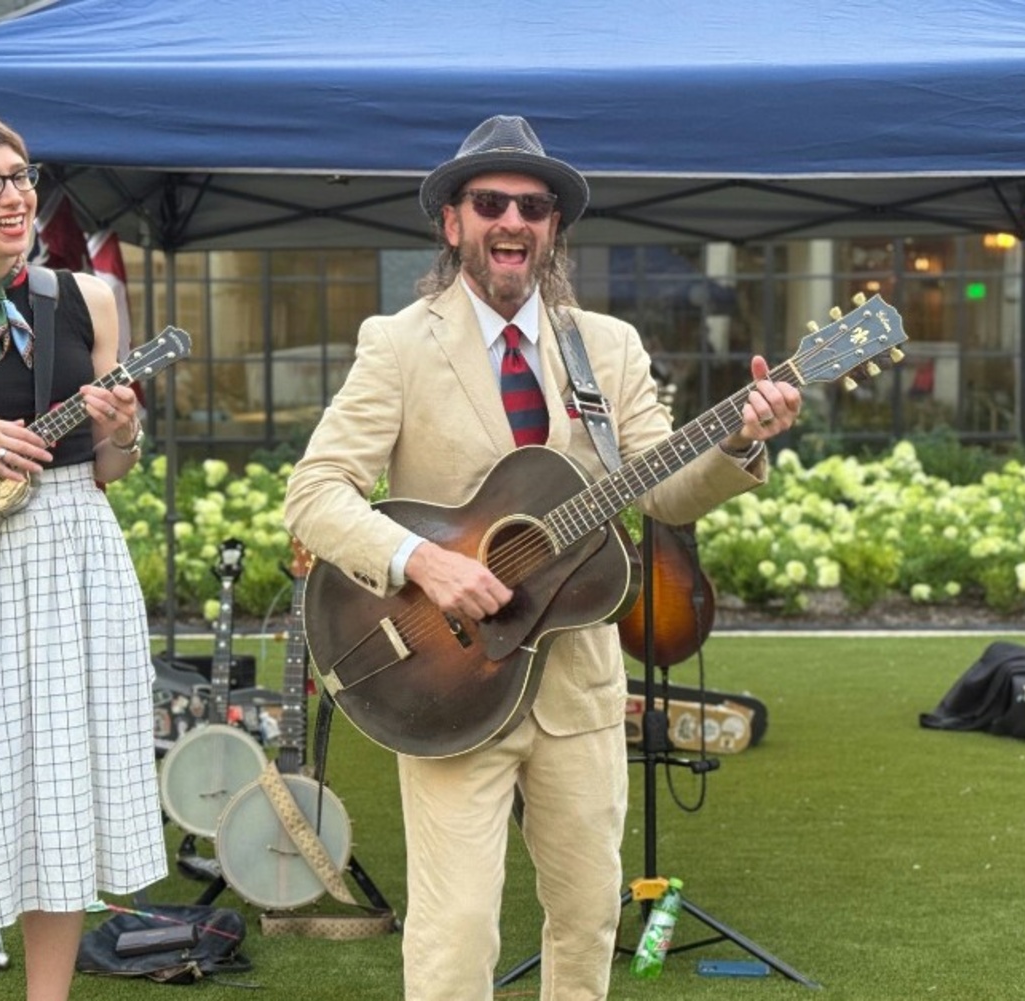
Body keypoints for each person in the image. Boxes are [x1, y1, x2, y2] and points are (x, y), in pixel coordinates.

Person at [284, 114, 800, 1000]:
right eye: (491, 202)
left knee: (589, 918)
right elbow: (315, 492)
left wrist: (740, 443)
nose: (513, 221)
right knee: (455, 940)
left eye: (534, 205)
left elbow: (659, 489)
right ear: (453, 221)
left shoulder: (606, 345)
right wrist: (424, 562)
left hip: (578, 691)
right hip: (448, 682)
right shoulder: (399, 343)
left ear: (554, 227)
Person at [0, 107, 167, 1001]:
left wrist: (124, 429)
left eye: (22, 177)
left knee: (65, 811)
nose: (14, 197)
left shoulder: (89, 298)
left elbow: (111, 469)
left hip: (78, 560)